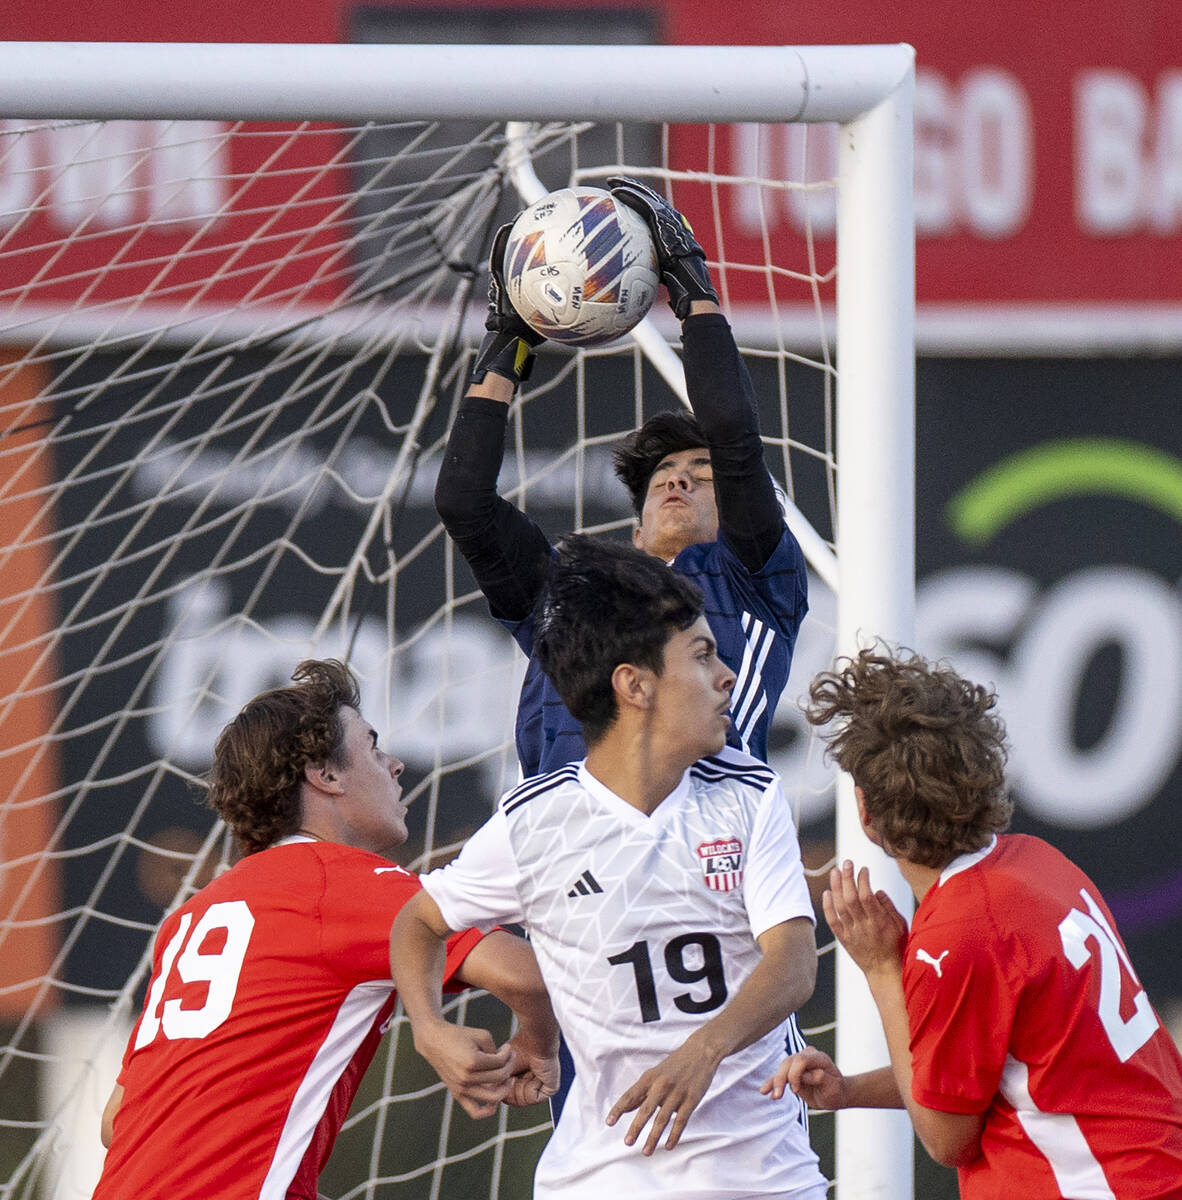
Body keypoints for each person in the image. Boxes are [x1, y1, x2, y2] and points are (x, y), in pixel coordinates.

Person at [389, 537, 828, 1200]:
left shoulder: (748, 794)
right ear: (635, 685)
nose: (727, 677)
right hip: (598, 1179)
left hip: (760, 1179)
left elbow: (793, 965)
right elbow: (418, 921)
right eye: (704, 655)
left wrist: (703, 1051)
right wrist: (428, 1028)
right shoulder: (535, 821)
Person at [93, 659, 559, 1200]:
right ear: (326, 774)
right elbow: (529, 975)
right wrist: (538, 1040)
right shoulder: (339, 883)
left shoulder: (192, 915)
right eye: (373, 747)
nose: (396, 764)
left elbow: (116, 1120)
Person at [763, 647, 1182, 1197]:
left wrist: (883, 969)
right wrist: (849, 1090)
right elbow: (989, 1077)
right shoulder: (1035, 860)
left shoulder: (960, 933)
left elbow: (945, 1136)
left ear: (864, 812)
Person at [434, 175, 808, 779]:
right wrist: (507, 342)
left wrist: (687, 279)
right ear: (635, 535)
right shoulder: (568, 594)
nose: (677, 481)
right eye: (664, 475)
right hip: (565, 849)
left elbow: (733, 430)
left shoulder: (756, 581)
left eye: (701, 474)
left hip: (705, 839)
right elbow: (463, 500)